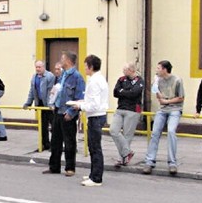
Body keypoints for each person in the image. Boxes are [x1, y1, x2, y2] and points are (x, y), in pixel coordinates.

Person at [42, 52, 85, 177]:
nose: (60, 60)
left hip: (68, 113)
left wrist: (72, 112)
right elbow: (58, 91)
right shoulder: (62, 75)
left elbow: (80, 97)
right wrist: (53, 102)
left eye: (62, 58)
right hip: (57, 111)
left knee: (69, 141)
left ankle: (70, 167)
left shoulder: (77, 77)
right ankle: (54, 166)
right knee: (55, 141)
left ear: (68, 60)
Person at [70, 55, 108, 186]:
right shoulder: (99, 79)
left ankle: (96, 178)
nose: (84, 68)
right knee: (93, 146)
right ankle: (94, 174)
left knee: (95, 147)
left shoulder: (94, 81)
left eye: (86, 66)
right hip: (98, 115)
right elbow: (93, 101)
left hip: (95, 116)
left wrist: (80, 106)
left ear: (91, 67)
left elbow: (94, 105)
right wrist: (83, 101)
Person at [142, 60, 185, 176]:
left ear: (165, 69)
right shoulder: (159, 80)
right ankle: (150, 160)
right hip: (163, 109)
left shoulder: (177, 80)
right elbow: (157, 94)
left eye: (158, 68)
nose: (157, 70)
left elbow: (181, 98)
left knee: (171, 131)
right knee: (155, 132)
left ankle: (172, 162)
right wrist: (155, 84)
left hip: (175, 108)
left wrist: (167, 101)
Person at [110, 62, 144, 167]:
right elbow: (115, 92)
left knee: (127, 135)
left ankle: (123, 158)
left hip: (133, 109)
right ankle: (128, 152)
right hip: (120, 108)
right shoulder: (121, 79)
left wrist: (123, 92)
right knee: (113, 130)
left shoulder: (139, 80)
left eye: (125, 69)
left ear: (131, 70)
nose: (123, 71)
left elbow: (134, 93)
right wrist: (127, 92)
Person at [23, 60, 55, 151]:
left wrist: (50, 104)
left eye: (39, 67)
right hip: (40, 103)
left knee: (53, 125)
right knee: (43, 126)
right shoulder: (34, 77)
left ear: (44, 67)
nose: (38, 69)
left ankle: (54, 145)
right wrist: (28, 103)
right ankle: (45, 144)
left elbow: (50, 92)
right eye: (36, 67)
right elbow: (32, 91)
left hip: (48, 104)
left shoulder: (50, 76)